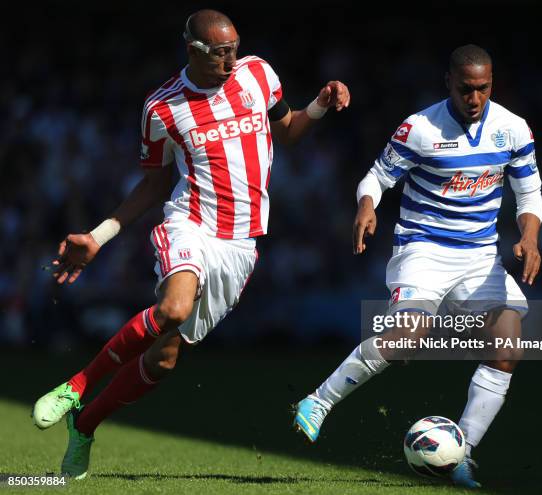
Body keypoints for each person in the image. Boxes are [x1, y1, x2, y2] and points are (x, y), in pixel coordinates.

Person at [32, 9, 350, 479]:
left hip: (241, 244)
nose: (230, 60)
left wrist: (320, 105)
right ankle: (75, 385)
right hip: (191, 224)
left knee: (163, 357)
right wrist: (99, 236)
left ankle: (86, 424)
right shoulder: (163, 108)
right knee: (174, 309)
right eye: (220, 53)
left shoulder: (258, 75)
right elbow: (154, 185)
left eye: (234, 48)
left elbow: (288, 131)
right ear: (194, 51)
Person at [294, 44, 542, 488]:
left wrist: (529, 237)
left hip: (480, 257)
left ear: (492, 85)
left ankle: (461, 454)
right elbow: (376, 176)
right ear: (448, 81)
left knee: (507, 346)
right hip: (423, 251)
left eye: (483, 89)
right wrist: (367, 207)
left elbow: (528, 194)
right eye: (466, 89)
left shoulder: (514, 129)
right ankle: (318, 401)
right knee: (407, 338)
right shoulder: (420, 129)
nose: (474, 98)